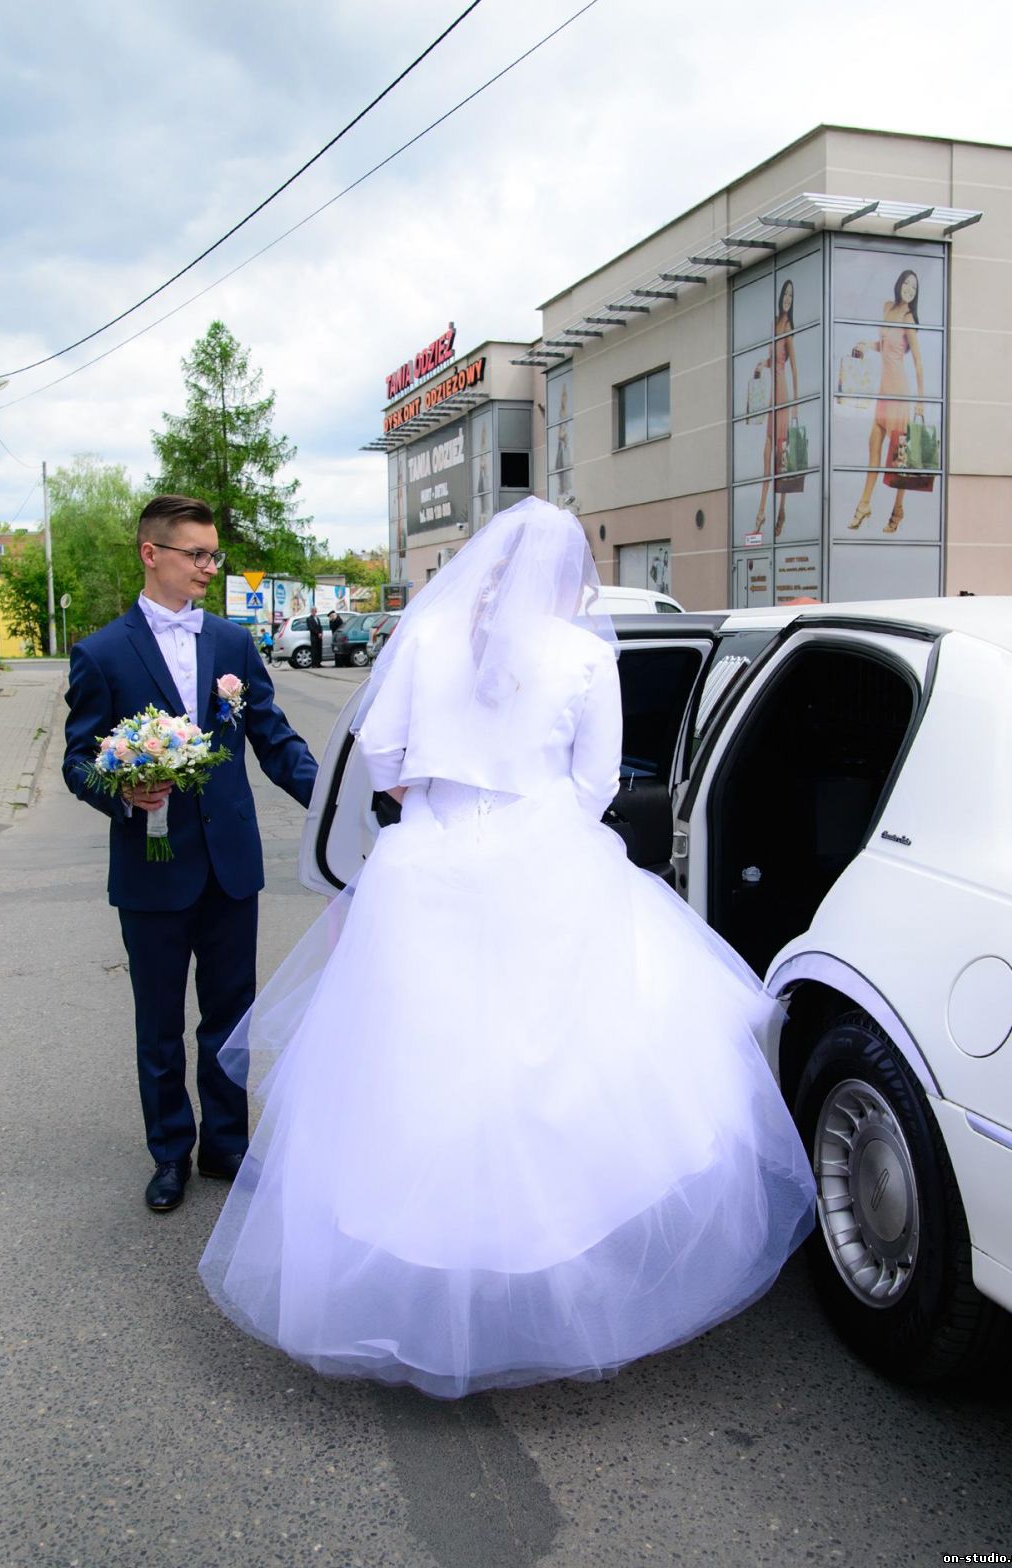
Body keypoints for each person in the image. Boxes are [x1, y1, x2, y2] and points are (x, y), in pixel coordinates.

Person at [198, 496, 815, 1398]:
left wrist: (436, 802)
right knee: (564, 1065)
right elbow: (596, 784)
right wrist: (534, 823)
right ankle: (551, 1270)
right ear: (570, 578)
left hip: (427, 863)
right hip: (545, 859)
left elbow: (381, 754)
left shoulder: (427, 634)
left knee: (409, 1068)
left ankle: (415, 1268)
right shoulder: (583, 656)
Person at [63, 494, 318, 1213]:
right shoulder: (102, 653)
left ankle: (225, 1146)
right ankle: (170, 1152)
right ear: (152, 554)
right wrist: (121, 792)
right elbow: (78, 760)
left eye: (214, 555)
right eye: (197, 554)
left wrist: (338, 803)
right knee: (159, 1023)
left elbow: (274, 739)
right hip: (151, 868)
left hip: (231, 862)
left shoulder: (233, 644)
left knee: (231, 1016)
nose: (210, 567)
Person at [847, 269, 925, 534]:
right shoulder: (888, 307)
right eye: (907, 283)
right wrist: (868, 346)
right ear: (899, 283)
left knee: (899, 458)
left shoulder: (908, 318)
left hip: (899, 392)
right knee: (873, 446)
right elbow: (886, 346)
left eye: (914, 287)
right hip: (884, 390)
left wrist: (921, 400)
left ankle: (897, 509)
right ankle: (864, 504)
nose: (909, 289)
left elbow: (917, 361)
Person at [753, 278, 799, 539]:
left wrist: (795, 406)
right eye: (786, 294)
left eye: (791, 296)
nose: (788, 299)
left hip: (782, 395)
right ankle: (762, 510)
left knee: (782, 458)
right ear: (781, 296)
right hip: (773, 394)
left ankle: (780, 509)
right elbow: (776, 360)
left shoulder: (788, 328)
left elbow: (794, 369)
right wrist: (763, 364)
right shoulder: (774, 324)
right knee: (767, 453)